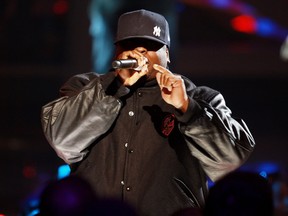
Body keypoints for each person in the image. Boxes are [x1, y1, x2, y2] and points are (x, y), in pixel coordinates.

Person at [41, 9, 255, 216]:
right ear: (117, 52)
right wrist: (112, 89)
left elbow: (229, 162)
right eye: (129, 45)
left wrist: (187, 108)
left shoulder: (201, 98)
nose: (138, 53)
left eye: (149, 47)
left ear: (167, 54)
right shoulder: (84, 87)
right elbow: (62, 141)